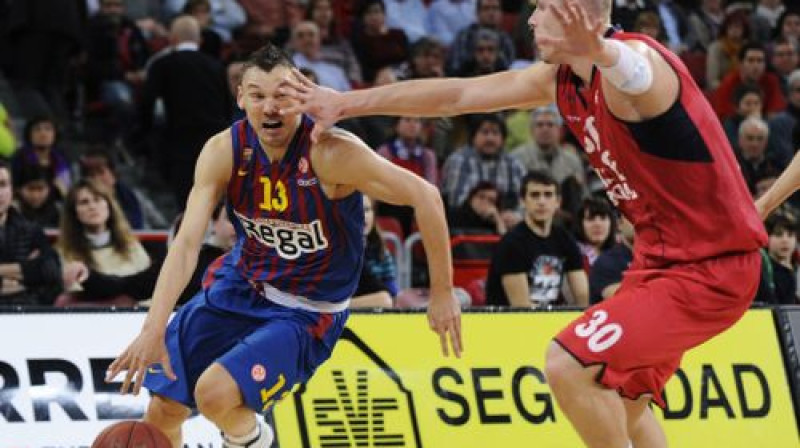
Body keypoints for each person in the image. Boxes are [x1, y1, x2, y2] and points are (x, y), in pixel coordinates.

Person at [280, 1, 766, 446]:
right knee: (625, 406)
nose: (531, 20)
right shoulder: (559, 78)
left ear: (577, 16)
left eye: (544, 9)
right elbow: (459, 95)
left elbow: (636, 74)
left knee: (568, 365)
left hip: (710, 269)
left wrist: (601, 49)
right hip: (661, 262)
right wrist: (347, 103)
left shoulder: (637, 64)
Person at [105, 44, 461, 448]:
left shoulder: (331, 153)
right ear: (241, 98)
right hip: (240, 286)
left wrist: (443, 291)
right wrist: (154, 327)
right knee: (162, 409)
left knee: (216, 394)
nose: (270, 107)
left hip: (306, 311)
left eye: (283, 96)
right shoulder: (224, 150)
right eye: (258, 95)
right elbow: (187, 243)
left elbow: (427, 196)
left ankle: (257, 441)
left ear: (303, 97)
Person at [484, 171, 588, 308]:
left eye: (548, 195)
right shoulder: (511, 244)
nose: (541, 202)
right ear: (522, 201)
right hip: (510, 324)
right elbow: (522, 308)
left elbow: (583, 301)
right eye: (535, 195)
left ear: (558, 202)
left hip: (551, 320)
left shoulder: (565, 238)